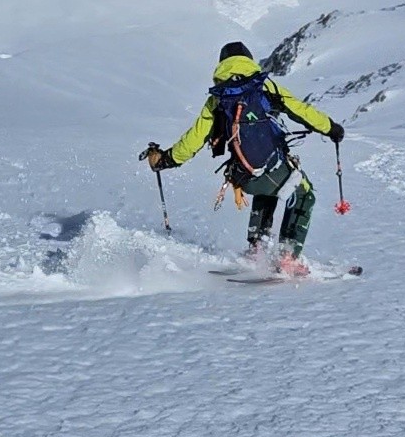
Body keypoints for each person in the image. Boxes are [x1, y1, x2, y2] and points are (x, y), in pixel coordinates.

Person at [144, 41, 345, 276]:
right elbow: (301, 111)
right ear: (249, 60)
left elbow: (194, 139)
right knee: (304, 194)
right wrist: (331, 128)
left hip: (242, 175)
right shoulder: (264, 86)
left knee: (266, 190)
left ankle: (257, 249)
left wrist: (166, 159)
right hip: (270, 167)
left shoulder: (218, 98)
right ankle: (287, 257)